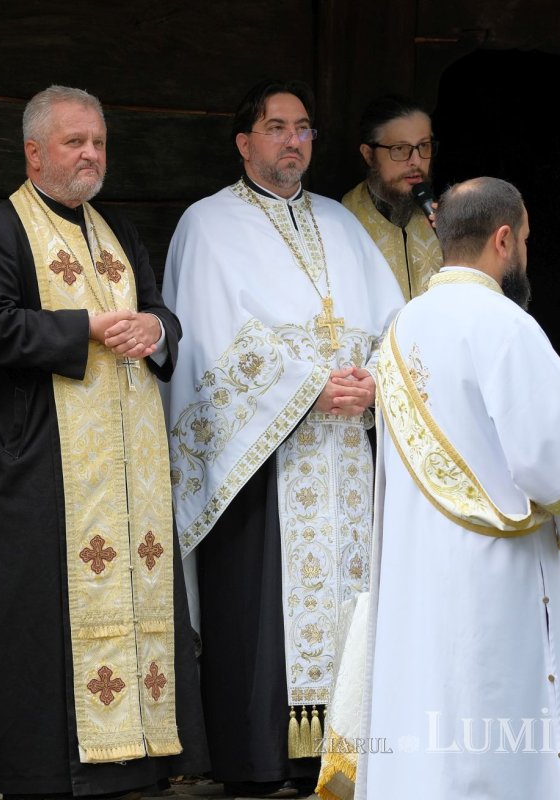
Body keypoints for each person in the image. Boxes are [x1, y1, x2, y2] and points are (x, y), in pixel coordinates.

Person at [0, 85, 208, 798]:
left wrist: (156, 331)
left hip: (131, 469)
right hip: (42, 466)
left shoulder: (116, 228)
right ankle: (50, 770)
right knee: (43, 614)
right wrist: (86, 328)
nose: (90, 154)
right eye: (73, 142)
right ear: (34, 152)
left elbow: (159, 312)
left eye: (97, 141)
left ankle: (143, 759)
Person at [162, 79, 404, 797]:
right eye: (276, 127)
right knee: (259, 614)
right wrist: (307, 387)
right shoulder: (205, 224)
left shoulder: (340, 221)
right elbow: (207, 343)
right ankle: (261, 760)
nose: (292, 140)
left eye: (302, 128)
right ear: (244, 143)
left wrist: (375, 383)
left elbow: (394, 326)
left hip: (346, 453)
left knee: (354, 601)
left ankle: (351, 753)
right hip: (263, 458)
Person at [360, 177, 560, 799]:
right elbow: (557, 460)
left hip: (419, 572)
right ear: (503, 239)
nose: (525, 249)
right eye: (524, 238)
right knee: (498, 720)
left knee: (429, 709)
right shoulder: (507, 326)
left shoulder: (399, 328)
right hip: (499, 577)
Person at [341, 95, 443, 300]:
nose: (416, 161)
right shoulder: (343, 222)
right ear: (369, 155)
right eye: (400, 149)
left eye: (424, 146)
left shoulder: (443, 216)